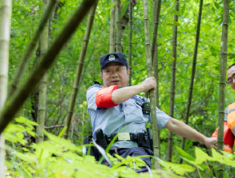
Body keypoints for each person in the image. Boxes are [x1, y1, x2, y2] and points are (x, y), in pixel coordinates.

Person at [86, 52, 216, 170]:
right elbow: (110, 98)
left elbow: (172, 123)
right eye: (108, 71)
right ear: (102, 75)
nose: (114, 74)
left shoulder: (140, 102)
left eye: (118, 69)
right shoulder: (94, 92)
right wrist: (142, 87)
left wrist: (204, 139)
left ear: (127, 72)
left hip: (136, 153)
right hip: (105, 153)